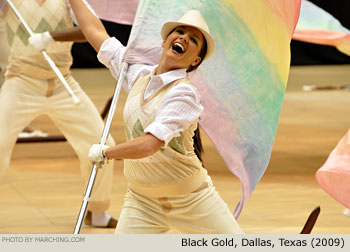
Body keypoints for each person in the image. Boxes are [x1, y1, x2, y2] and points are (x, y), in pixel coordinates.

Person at [69, 0, 243, 234]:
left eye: (193, 40)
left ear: (195, 61)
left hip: (192, 200)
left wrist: (106, 152)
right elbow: (94, 31)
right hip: (142, 201)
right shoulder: (134, 74)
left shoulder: (184, 93)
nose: (183, 38)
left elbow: (150, 144)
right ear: (164, 42)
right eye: (180, 32)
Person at [0, 0, 117, 228]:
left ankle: (98, 212)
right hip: (20, 82)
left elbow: (89, 30)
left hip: (63, 84)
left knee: (102, 145)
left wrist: (49, 37)